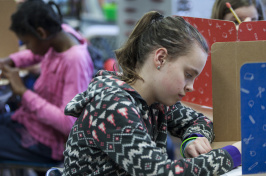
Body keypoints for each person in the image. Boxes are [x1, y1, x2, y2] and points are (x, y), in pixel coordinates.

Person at [62, 11, 241, 175]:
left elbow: (200, 120)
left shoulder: (155, 101)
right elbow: (158, 172)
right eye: (188, 75)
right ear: (160, 58)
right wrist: (235, 154)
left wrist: (194, 138)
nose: (191, 87)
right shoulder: (112, 105)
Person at [0, 0, 93, 165]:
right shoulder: (60, 34)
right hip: (30, 123)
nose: (27, 47)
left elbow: (68, 123)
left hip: (48, 143)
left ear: (41, 33)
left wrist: (23, 92)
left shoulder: (75, 61)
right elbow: (37, 52)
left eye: (27, 42)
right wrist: (9, 61)